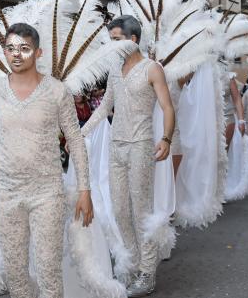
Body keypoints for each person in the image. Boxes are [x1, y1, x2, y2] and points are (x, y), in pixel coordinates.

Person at [0, 23, 94, 298]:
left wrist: (84, 189)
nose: (16, 55)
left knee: (48, 271)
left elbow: (75, 139)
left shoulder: (57, 92)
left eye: (24, 49)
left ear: (38, 52)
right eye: (10, 49)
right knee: (15, 272)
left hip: (47, 192)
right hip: (8, 191)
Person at [81, 15, 175, 297]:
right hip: (116, 145)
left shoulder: (152, 69)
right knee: (120, 209)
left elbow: (168, 108)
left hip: (141, 144)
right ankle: (133, 265)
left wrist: (167, 139)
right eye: (110, 40)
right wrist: (80, 133)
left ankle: (147, 273)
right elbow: (104, 107)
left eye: (116, 39)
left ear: (133, 40)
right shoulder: (113, 69)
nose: (112, 45)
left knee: (140, 209)